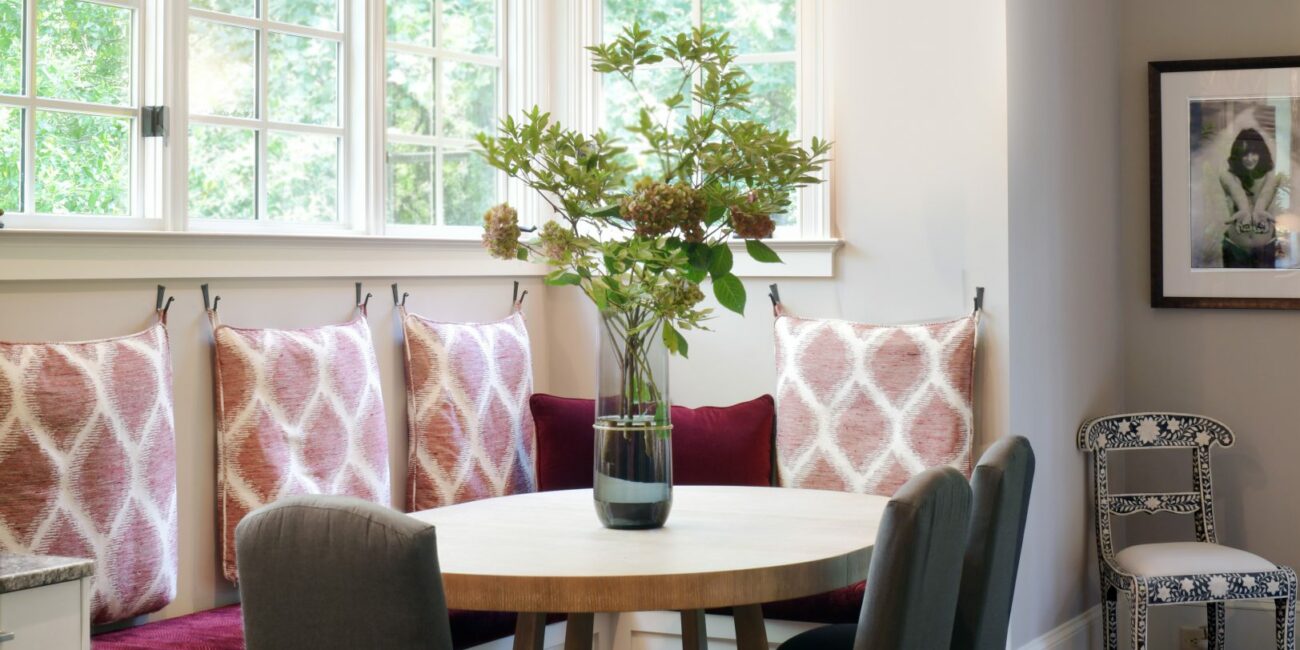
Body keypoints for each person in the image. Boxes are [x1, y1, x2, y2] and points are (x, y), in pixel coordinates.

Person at [1219, 128, 1281, 268]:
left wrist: (1258, 209)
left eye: (1254, 153)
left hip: (1266, 246)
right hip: (1235, 247)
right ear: (1237, 155)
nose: (1249, 158)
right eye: (1244, 154)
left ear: (1261, 153)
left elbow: (1266, 193)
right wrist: (1244, 209)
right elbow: (1237, 191)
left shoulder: (1271, 175)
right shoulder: (1228, 175)